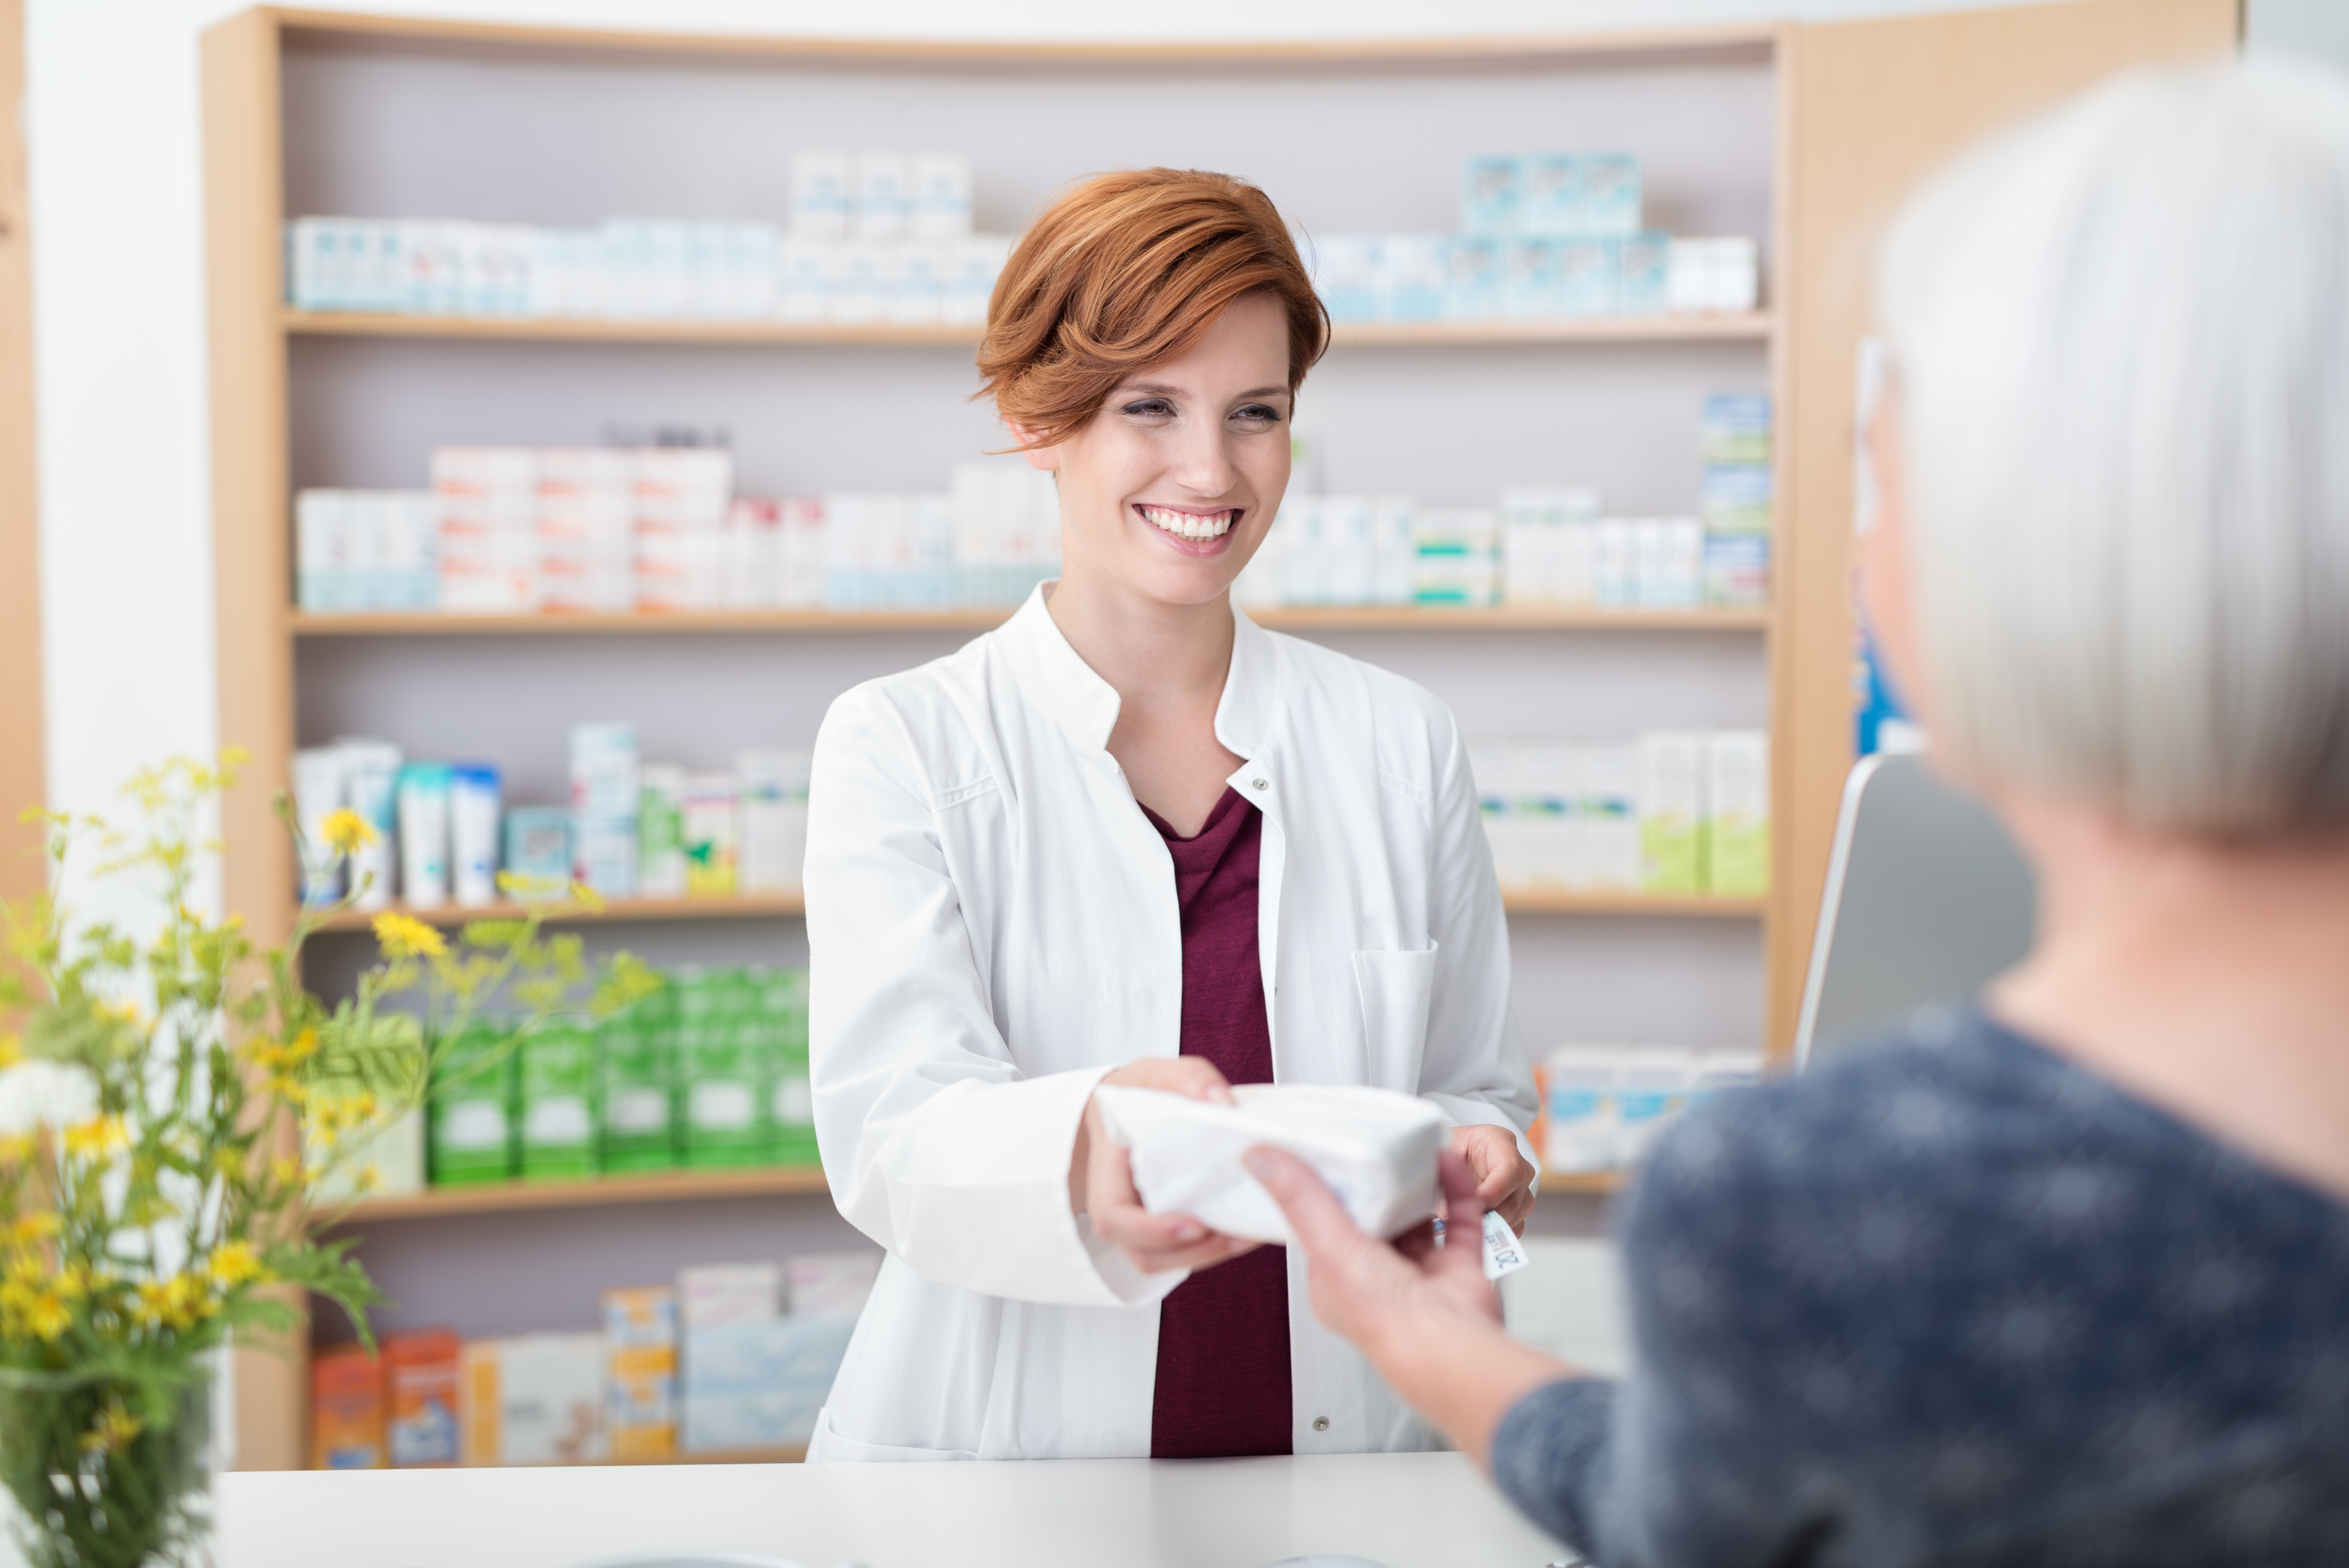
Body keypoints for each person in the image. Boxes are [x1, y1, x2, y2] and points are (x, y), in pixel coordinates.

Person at [1251, 57, 2349, 1563]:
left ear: (2024, 567)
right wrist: (1435, 1347)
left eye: (1886, 486)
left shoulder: (1845, 1207)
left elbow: (1717, 1527)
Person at [802, 167, 1540, 1463]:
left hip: (1347, 1458)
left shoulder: (1398, 741)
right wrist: (1095, 1140)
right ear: (1042, 418)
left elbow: (1464, 1080)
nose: (1213, 469)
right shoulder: (907, 741)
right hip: (1008, 1478)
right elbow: (892, 1136)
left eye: (1256, 413)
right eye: (1152, 408)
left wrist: (1480, 1149)